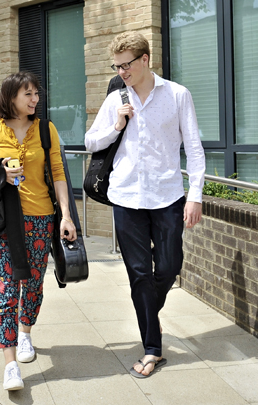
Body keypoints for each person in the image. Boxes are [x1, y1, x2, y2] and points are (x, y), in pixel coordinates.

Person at [84, 31, 205, 379]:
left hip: (167, 196)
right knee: (139, 273)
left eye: (127, 65)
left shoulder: (178, 95)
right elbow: (92, 141)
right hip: (125, 197)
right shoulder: (116, 99)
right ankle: (152, 348)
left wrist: (194, 194)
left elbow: (194, 149)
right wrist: (116, 124)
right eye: (117, 66)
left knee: (169, 266)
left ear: (145, 60)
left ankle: (148, 312)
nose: (122, 72)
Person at [0, 72, 78, 391]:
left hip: (41, 218)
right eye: (27, 94)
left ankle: (25, 333)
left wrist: (66, 215)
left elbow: (57, 173)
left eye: (36, 94)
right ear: (11, 96)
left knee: (33, 284)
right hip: (3, 222)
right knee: (4, 289)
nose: (34, 99)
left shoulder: (46, 130)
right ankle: (10, 363)